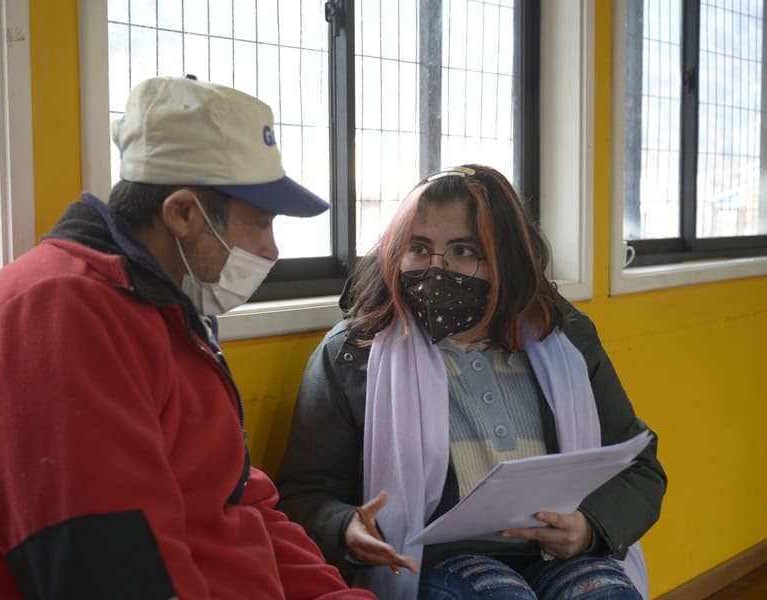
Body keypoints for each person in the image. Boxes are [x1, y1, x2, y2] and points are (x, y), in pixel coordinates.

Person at [0, 76, 375, 599]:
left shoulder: (167, 312)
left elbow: (238, 501)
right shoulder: (57, 319)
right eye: (260, 223)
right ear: (183, 213)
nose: (272, 249)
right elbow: (110, 573)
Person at [276, 164, 667, 599]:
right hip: (435, 564)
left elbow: (640, 468)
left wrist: (590, 526)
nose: (437, 269)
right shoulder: (353, 355)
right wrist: (346, 529)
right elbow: (305, 495)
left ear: (508, 259)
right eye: (418, 248)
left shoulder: (565, 339)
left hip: (560, 555)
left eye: (464, 250)